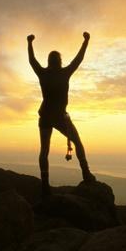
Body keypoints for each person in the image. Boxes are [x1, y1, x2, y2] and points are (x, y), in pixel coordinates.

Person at [27, 32, 95, 196]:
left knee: (44, 150)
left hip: (45, 116)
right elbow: (79, 59)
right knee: (77, 142)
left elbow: (32, 61)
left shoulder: (43, 74)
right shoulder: (64, 73)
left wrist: (29, 43)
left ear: (49, 61)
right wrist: (86, 41)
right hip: (59, 117)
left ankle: (45, 185)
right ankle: (86, 173)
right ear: (60, 61)